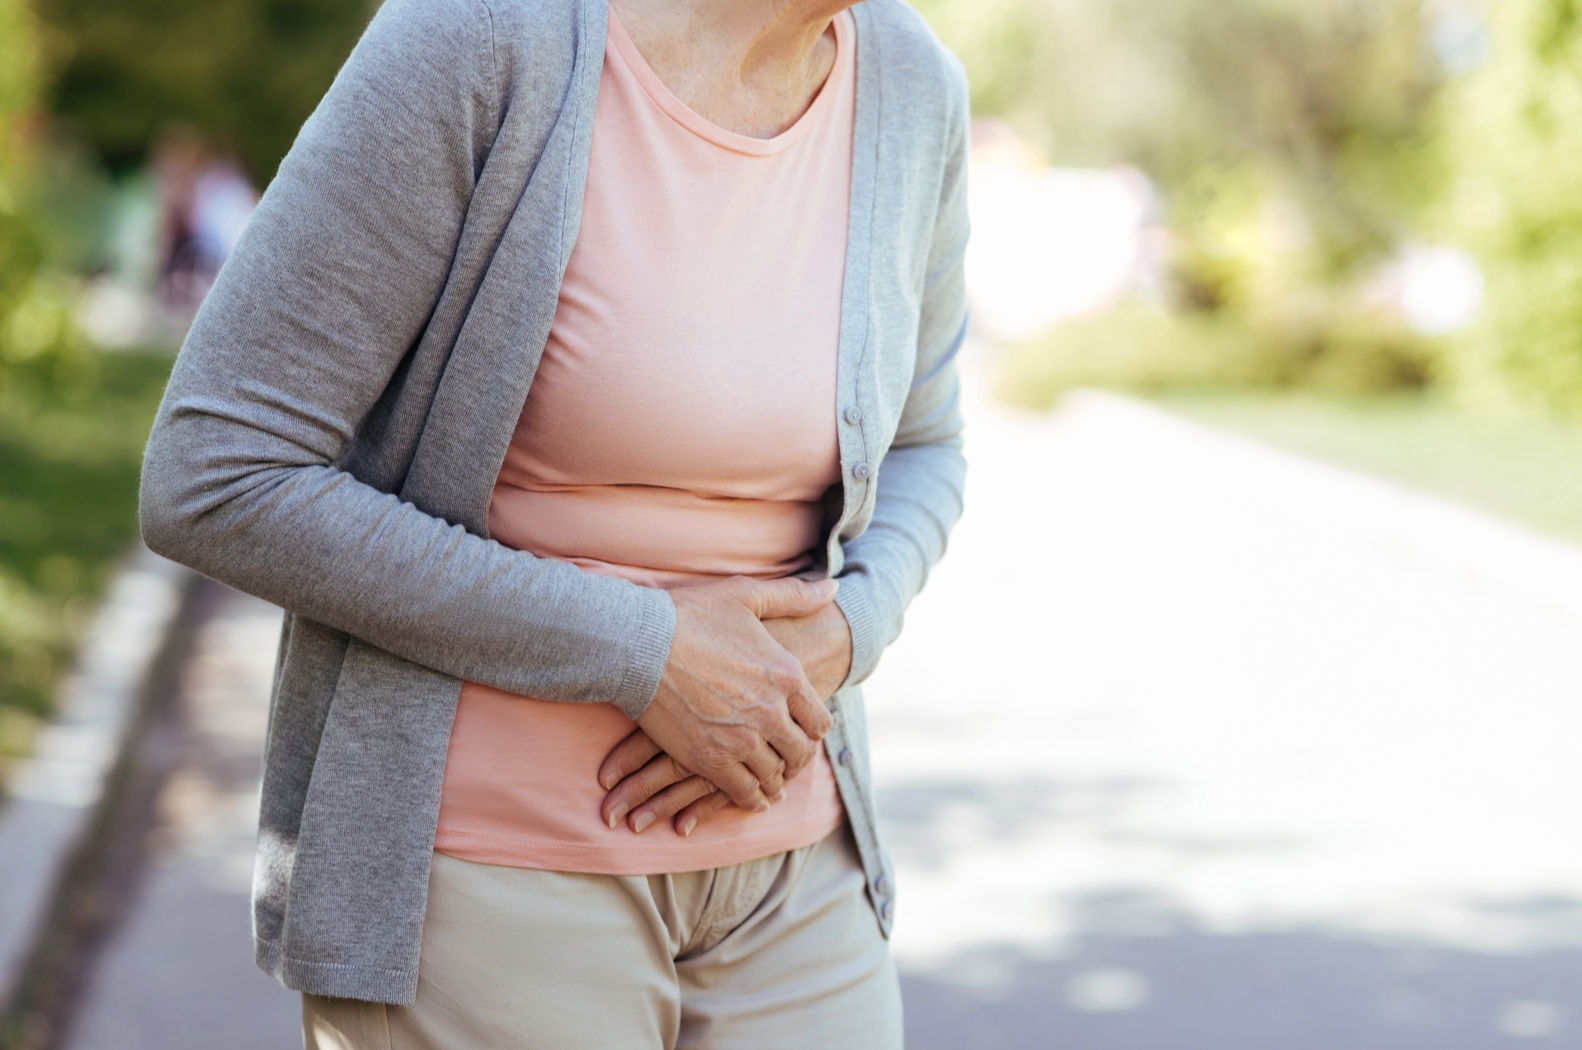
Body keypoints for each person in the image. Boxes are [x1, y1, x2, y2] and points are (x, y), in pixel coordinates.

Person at [139, 0, 969, 1043]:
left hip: (796, 879)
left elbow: (924, 443)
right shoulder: (479, 37)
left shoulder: (910, 82)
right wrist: (645, 651)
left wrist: (851, 628)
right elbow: (217, 473)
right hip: (487, 872)